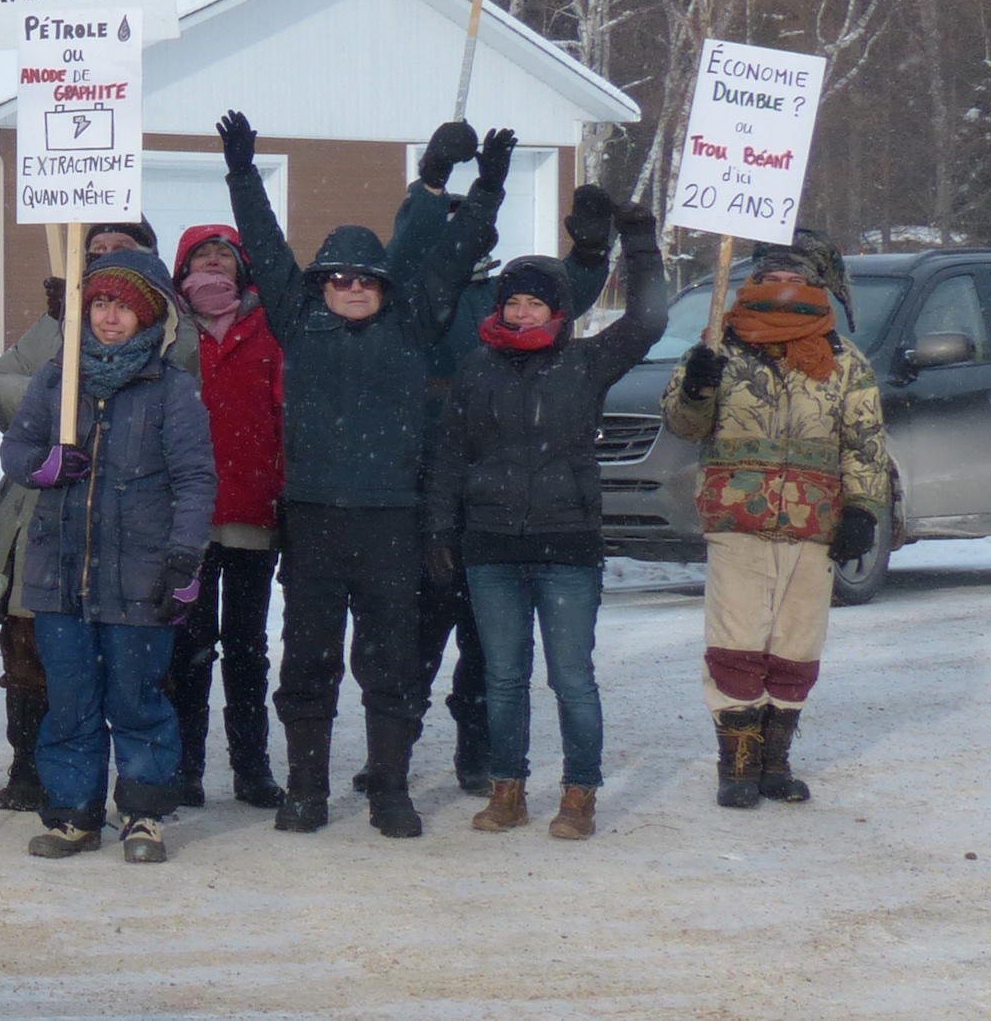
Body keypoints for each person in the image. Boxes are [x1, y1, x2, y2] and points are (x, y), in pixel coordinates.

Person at [223, 109, 502, 837]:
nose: (351, 288)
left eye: (364, 280)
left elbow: (450, 256)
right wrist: (243, 174)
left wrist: (488, 191)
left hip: (391, 523)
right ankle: (306, 791)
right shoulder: (298, 321)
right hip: (313, 521)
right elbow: (264, 245)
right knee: (307, 666)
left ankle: (390, 791)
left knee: (392, 669)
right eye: (338, 279)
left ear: (383, 286)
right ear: (321, 285)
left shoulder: (413, 326)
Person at [429, 202, 667, 840]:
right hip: (492, 549)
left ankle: (579, 793)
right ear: (500, 308)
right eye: (515, 302)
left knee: (571, 678)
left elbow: (648, 320)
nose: (524, 312)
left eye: (537, 303)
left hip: (568, 547)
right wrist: (439, 530)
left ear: (559, 311)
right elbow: (452, 455)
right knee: (503, 679)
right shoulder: (476, 370)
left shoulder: (586, 362)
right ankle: (508, 789)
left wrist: (640, 243)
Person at [399, 152, 615, 798]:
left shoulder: (504, 301)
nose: (464, 241)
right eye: (452, 229)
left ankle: (479, 748)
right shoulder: (414, 290)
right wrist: (430, 183)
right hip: (426, 474)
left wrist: (592, 251)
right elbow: (410, 239)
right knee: (416, 633)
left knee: (486, 642)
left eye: (474, 229)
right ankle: (394, 748)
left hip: (498, 487)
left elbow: (559, 296)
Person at [663, 231, 893, 809]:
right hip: (738, 517)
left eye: (797, 281)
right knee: (737, 639)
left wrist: (864, 509)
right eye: (771, 278)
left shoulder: (844, 361)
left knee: (796, 643)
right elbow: (684, 424)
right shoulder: (721, 344)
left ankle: (774, 759)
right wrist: (696, 385)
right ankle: (735, 764)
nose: (783, 290)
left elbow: (864, 444)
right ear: (753, 281)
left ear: (818, 289)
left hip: (815, 524)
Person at [0, 250, 216, 864]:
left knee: (137, 697)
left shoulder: (170, 389)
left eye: (121, 305)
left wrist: (184, 559)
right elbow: (17, 447)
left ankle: (143, 814)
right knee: (69, 697)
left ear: (145, 315)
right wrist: (40, 467)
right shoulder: (57, 378)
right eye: (98, 303)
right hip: (60, 569)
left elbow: (196, 479)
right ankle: (74, 813)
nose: (108, 316)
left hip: (140, 573)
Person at [161, 220, 287, 811]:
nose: (214, 264)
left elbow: (285, 417)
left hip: (251, 511)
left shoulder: (269, 328)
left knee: (246, 646)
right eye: (202, 255)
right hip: (184, 516)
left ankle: (251, 767)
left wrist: (283, 489)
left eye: (224, 255)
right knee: (188, 646)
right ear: (183, 268)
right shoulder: (166, 330)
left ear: (243, 267)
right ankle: (185, 766)